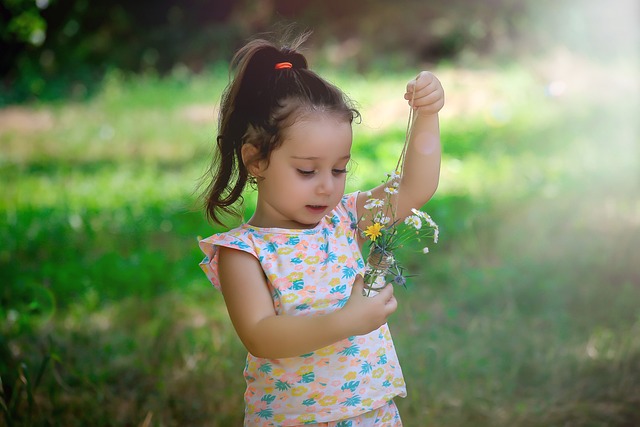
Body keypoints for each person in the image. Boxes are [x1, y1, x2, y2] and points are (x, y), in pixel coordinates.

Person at [199, 33, 444, 427]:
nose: (327, 186)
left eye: (339, 169)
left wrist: (428, 115)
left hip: (371, 414)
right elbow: (260, 335)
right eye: (307, 171)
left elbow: (416, 188)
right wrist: (346, 321)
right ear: (255, 160)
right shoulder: (243, 252)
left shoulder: (343, 218)